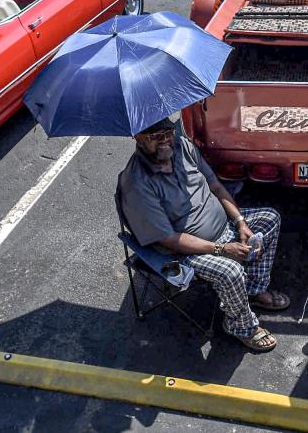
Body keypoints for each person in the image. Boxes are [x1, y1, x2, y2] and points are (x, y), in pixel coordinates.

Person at [119, 117, 290, 352]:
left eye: (167, 132)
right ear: (136, 138)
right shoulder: (136, 183)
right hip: (185, 250)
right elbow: (168, 239)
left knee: (269, 218)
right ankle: (241, 326)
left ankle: (253, 289)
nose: (165, 141)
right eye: (155, 137)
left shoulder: (184, 147)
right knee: (230, 270)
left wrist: (239, 222)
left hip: (223, 227)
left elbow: (216, 185)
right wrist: (221, 250)